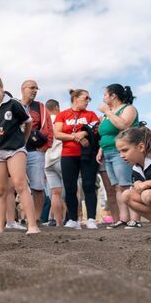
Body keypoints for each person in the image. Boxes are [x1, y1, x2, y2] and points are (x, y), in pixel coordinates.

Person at [0, 74, 40, 234]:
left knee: (20, 185)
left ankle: (32, 226)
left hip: (15, 149)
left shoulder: (13, 104)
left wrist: (23, 142)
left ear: (1, 87)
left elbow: (28, 122)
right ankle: (0, 226)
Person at [54, 88, 100, 229]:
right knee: (70, 187)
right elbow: (57, 134)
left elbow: (96, 130)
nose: (88, 101)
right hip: (68, 155)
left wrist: (84, 133)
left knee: (89, 185)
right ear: (75, 98)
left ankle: (91, 219)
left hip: (88, 155)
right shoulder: (63, 114)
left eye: (89, 99)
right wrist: (75, 137)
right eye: (86, 98)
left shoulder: (91, 114)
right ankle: (73, 219)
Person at [96, 84, 139, 229]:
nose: (103, 98)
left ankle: (135, 219)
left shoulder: (128, 109)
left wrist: (107, 111)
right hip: (107, 153)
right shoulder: (108, 113)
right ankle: (124, 218)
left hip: (121, 152)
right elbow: (105, 134)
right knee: (117, 187)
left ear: (113, 95)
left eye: (105, 95)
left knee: (126, 185)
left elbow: (123, 125)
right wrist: (101, 149)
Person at [20, 80, 53, 224]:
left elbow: (49, 128)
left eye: (36, 88)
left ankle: (37, 218)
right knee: (18, 186)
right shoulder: (14, 105)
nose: (34, 91)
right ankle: (21, 218)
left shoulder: (40, 107)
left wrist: (44, 148)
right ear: (23, 89)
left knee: (37, 186)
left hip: (35, 151)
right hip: (17, 151)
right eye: (32, 88)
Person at [44, 99, 65, 226]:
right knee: (70, 190)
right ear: (57, 107)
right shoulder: (60, 119)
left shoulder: (44, 122)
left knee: (55, 194)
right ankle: (72, 219)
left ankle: (58, 223)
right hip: (61, 157)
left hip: (47, 161)